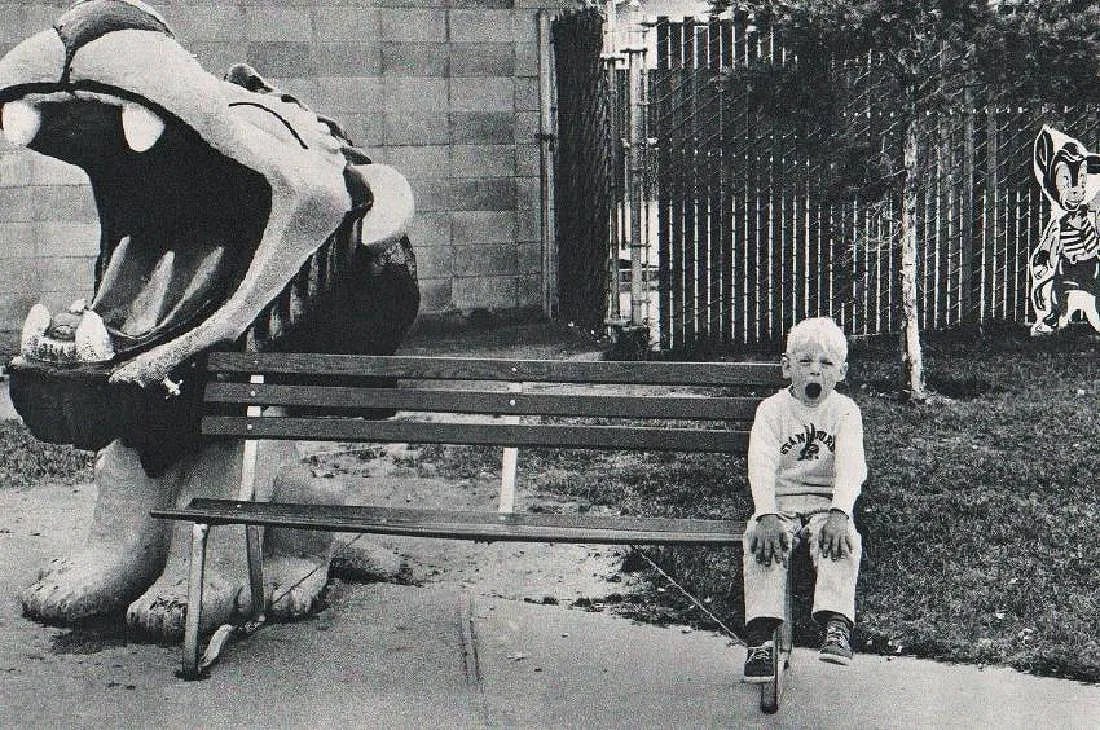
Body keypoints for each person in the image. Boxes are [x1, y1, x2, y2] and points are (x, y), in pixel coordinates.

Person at [741, 316, 867, 682]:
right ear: (786, 367)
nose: (815, 371)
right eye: (805, 361)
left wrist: (841, 513)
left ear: (841, 372)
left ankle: (836, 623)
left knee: (843, 542)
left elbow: (851, 467)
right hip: (779, 505)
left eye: (826, 364)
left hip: (825, 505)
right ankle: (761, 638)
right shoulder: (772, 411)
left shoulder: (845, 412)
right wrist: (764, 513)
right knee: (762, 544)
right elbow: (761, 464)